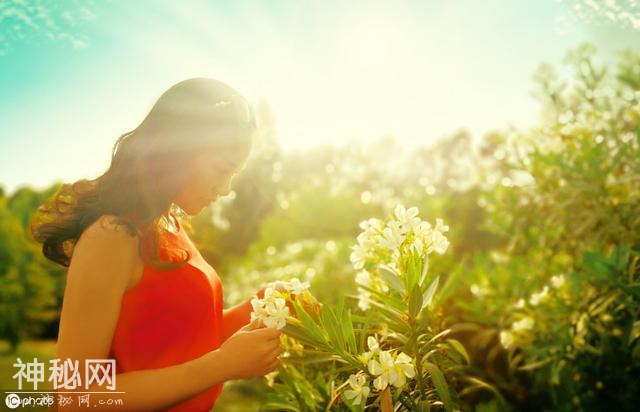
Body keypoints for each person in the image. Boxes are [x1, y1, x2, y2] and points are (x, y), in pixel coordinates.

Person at [30, 78, 282, 411]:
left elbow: (177, 343)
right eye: (222, 170)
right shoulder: (113, 235)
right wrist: (223, 365)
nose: (225, 189)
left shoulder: (170, 224)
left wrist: (259, 307)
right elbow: (75, 396)